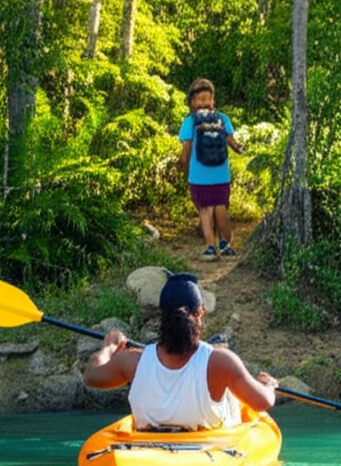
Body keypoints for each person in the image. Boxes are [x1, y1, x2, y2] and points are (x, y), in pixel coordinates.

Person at [82, 273, 277, 431]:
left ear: (162, 315)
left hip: (146, 450)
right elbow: (262, 402)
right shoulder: (221, 362)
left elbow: (91, 376)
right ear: (200, 312)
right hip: (206, 451)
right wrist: (267, 385)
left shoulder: (132, 362)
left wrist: (108, 347)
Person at [179, 78, 244, 258]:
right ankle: (225, 243)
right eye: (202, 99)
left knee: (205, 210)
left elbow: (187, 147)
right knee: (221, 207)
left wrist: (182, 166)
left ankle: (210, 247)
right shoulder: (222, 118)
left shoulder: (190, 121)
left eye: (206, 99)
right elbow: (230, 140)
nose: (205, 103)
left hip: (199, 176)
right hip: (221, 174)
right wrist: (239, 148)